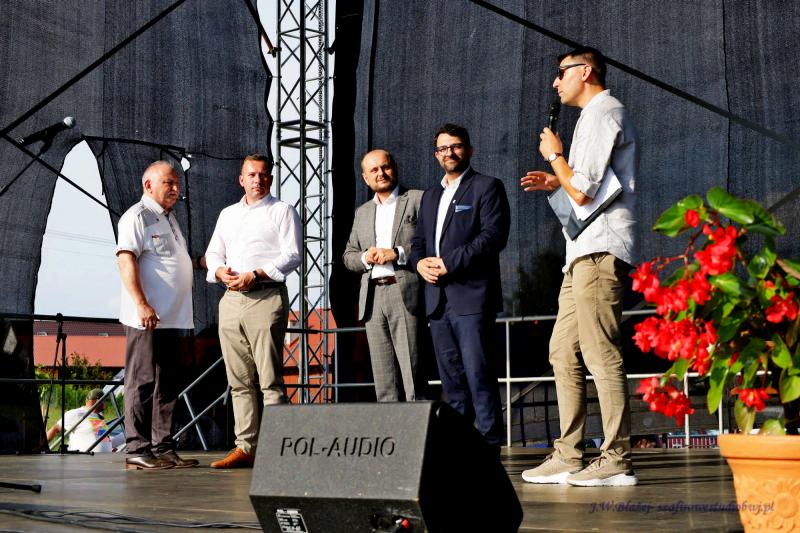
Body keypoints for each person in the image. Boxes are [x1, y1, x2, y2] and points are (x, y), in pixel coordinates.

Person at [519, 46, 638, 486]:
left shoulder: (604, 112)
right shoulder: (593, 116)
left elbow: (585, 191)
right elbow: (584, 191)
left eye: (562, 72)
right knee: (561, 350)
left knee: (600, 351)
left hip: (600, 250)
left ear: (585, 71)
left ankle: (616, 458)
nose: (555, 82)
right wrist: (557, 181)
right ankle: (569, 454)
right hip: (581, 252)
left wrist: (555, 156)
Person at [411, 123, 510, 450]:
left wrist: (449, 262)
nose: (449, 153)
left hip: (471, 299)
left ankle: (489, 446)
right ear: (436, 155)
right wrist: (419, 264)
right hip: (437, 302)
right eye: (443, 148)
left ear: (469, 150)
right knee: (451, 382)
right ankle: (460, 449)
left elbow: (493, 237)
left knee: (479, 376)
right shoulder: (430, 196)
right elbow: (418, 243)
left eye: (455, 146)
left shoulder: (487, 186)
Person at [205, 153, 302, 469]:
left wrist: (256, 274)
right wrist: (220, 271)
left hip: (265, 296)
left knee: (269, 379)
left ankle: (276, 450)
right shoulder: (228, 214)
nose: (257, 180)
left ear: (270, 179)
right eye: (252, 174)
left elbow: (293, 254)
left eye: (263, 175)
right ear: (241, 180)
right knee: (239, 380)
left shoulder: (282, 210)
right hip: (232, 299)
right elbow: (213, 253)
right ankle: (246, 447)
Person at [117, 161, 198, 470]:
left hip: (172, 317)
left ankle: (163, 446)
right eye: (169, 183)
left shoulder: (169, 218)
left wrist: (202, 263)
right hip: (147, 318)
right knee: (142, 380)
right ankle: (137, 448)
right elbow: (126, 260)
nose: (176, 188)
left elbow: (171, 261)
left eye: (177, 183)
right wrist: (141, 304)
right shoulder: (136, 216)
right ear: (148, 185)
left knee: (168, 383)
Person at [343, 149, 426, 401]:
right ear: (365, 178)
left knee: (414, 375)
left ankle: (418, 426)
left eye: (385, 167)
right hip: (372, 298)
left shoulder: (417, 199)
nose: (381, 173)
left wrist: (397, 253)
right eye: (374, 170)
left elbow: (432, 243)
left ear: (395, 168)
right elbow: (348, 256)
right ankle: (391, 426)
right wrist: (364, 257)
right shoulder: (362, 212)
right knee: (383, 380)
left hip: (404, 292)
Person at [46, 388, 124, 452]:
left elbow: (103, 440)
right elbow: (55, 428)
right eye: (104, 400)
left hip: (102, 460)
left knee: (125, 435)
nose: (105, 404)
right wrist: (42, 447)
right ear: (98, 400)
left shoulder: (98, 417)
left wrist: (109, 448)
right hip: (84, 461)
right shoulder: (77, 413)